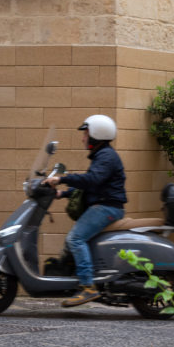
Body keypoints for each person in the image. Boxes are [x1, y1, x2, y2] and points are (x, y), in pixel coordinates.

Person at [44, 114, 127, 307]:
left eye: (86, 134)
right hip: (104, 205)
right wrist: (62, 194)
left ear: (96, 134)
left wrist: (62, 178)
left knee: (75, 238)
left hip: (107, 207)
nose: (83, 138)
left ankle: (88, 287)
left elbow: (92, 180)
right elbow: (90, 184)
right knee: (75, 238)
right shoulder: (103, 155)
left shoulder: (106, 156)